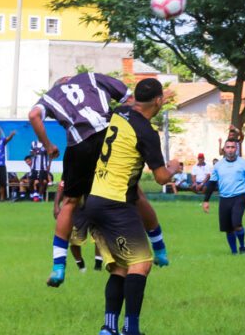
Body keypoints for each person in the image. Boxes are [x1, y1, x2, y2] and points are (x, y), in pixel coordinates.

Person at [29, 73, 170, 288]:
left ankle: (58, 267)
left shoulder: (51, 96)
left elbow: (33, 116)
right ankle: (160, 249)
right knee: (135, 193)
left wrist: (49, 147)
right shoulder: (91, 77)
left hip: (79, 146)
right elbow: (131, 102)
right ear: (68, 78)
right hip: (107, 136)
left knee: (70, 203)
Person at [85, 78, 180, 335]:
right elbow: (161, 176)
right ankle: (131, 331)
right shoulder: (147, 132)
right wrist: (175, 166)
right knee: (141, 264)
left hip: (94, 200)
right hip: (116, 204)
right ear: (159, 101)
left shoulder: (119, 113)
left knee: (120, 268)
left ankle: (109, 328)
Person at [202, 139, 245, 254]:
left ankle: (242, 246)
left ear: (236, 149)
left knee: (236, 223)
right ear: (224, 149)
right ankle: (234, 252)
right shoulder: (218, 165)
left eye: (232, 147)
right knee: (228, 228)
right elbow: (212, 183)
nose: (230, 150)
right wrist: (206, 201)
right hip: (224, 198)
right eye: (228, 147)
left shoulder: (244, 164)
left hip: (239, 196)